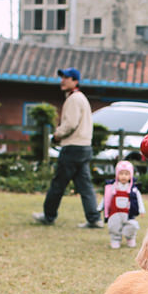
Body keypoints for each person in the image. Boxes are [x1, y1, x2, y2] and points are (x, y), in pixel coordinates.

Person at [34, 67, 102, 228]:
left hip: (72, 147)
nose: (62, 80)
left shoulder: (73, 99)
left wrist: (57, 135)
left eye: (67, 77)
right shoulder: (81, 98)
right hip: (84, 147)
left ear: (75, 81)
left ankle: (48, 215)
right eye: (62, 77)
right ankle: (94, 218)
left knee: (58, 183)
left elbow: (70, 124)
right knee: (85, 185)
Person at [102, 159, 145, 249]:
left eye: (126, 174)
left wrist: (142, 210)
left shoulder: (133, 190)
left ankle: (130, 238)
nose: (124, 176)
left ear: (131, 175)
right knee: (114, 226)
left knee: (132, 225)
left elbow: (139, 199)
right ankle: (115, 239)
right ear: (117, 175)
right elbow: (106, 198)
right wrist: (101, 207)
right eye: (121, 174)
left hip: (128, 213)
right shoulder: (113, 187)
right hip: (114, 213)